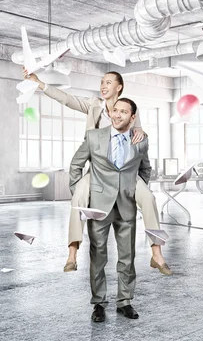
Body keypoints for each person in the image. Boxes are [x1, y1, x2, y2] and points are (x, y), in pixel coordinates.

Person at [23, 69, 171, 275]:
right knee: (78, 199)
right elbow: (67, 99)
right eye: (102, 82)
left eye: (108, 82)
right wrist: (39, 83)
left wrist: (140, 134)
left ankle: (157, 253)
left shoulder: (129, 111)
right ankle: (72, 253)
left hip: (125, 173)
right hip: (98, 172)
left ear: (118, 87)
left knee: (149, 198)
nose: (103, 85)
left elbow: (140, 143)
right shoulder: (94, 106)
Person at [69, 98, 150, 322]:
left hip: (126, 205)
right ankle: (99, 304)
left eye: (124, 112)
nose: (117, 115)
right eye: (115, 110)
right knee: (98, 257)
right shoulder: (94, 137)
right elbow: (76, 165)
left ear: (133, 118)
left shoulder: (140, 140)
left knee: (127, 257)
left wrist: (136, 193)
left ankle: (125, 302)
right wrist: (80, 193)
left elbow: (145, 169)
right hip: (99, 205)